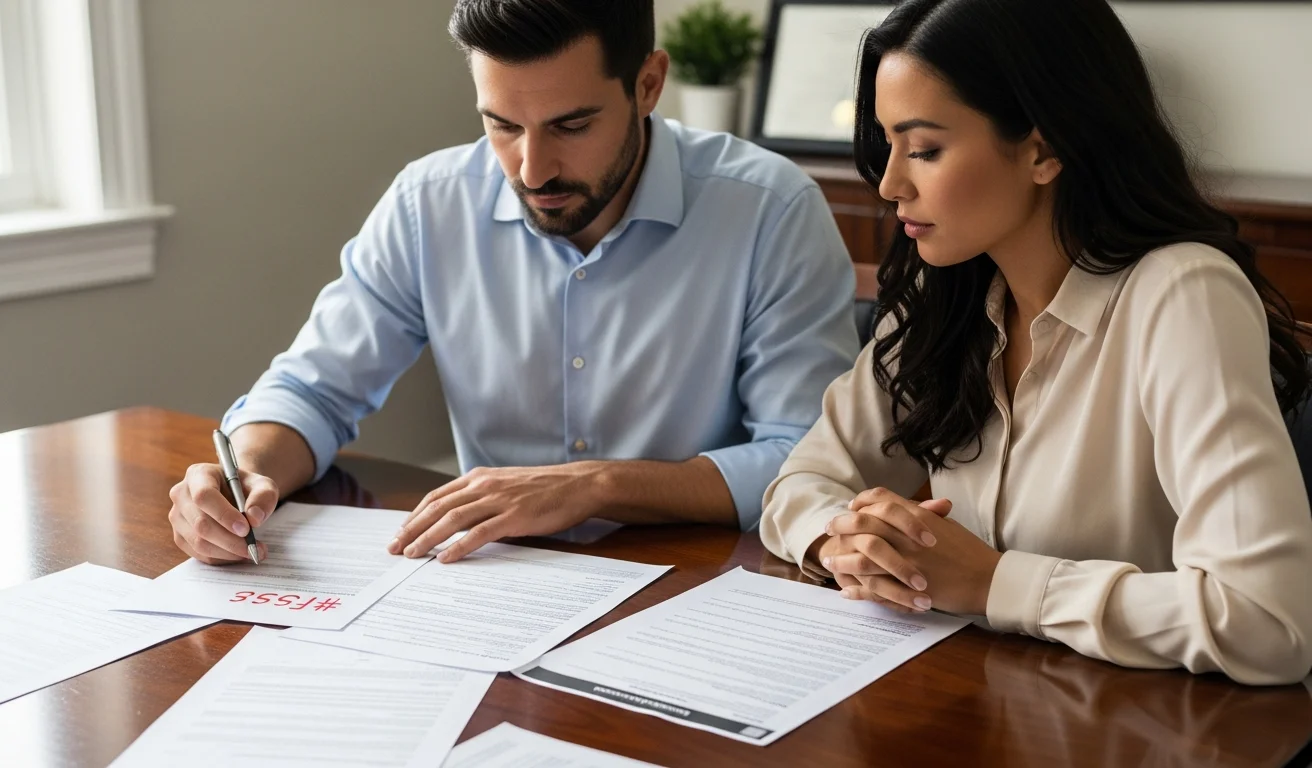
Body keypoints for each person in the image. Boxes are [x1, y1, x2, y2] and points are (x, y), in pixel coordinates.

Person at [167, 0, 858, 567]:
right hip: (494, 590)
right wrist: (246, 477)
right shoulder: (428, 203)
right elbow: (310, 390)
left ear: (648, 84)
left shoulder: (771, 210)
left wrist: (597, 486)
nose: (532, 169)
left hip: (700, 590)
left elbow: (803, 460)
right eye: (501, 125)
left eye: (572, 125)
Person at [761, 0, 1312, 685]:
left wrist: (997, 583)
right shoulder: (947, 291)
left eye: (926, 149)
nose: (892, 183)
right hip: (974, 706)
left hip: (1147, 727)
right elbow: (801, 481)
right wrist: (844, 542)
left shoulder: (1182, 294)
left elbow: (1268, 622)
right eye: (888, 145)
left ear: (1043, 148)